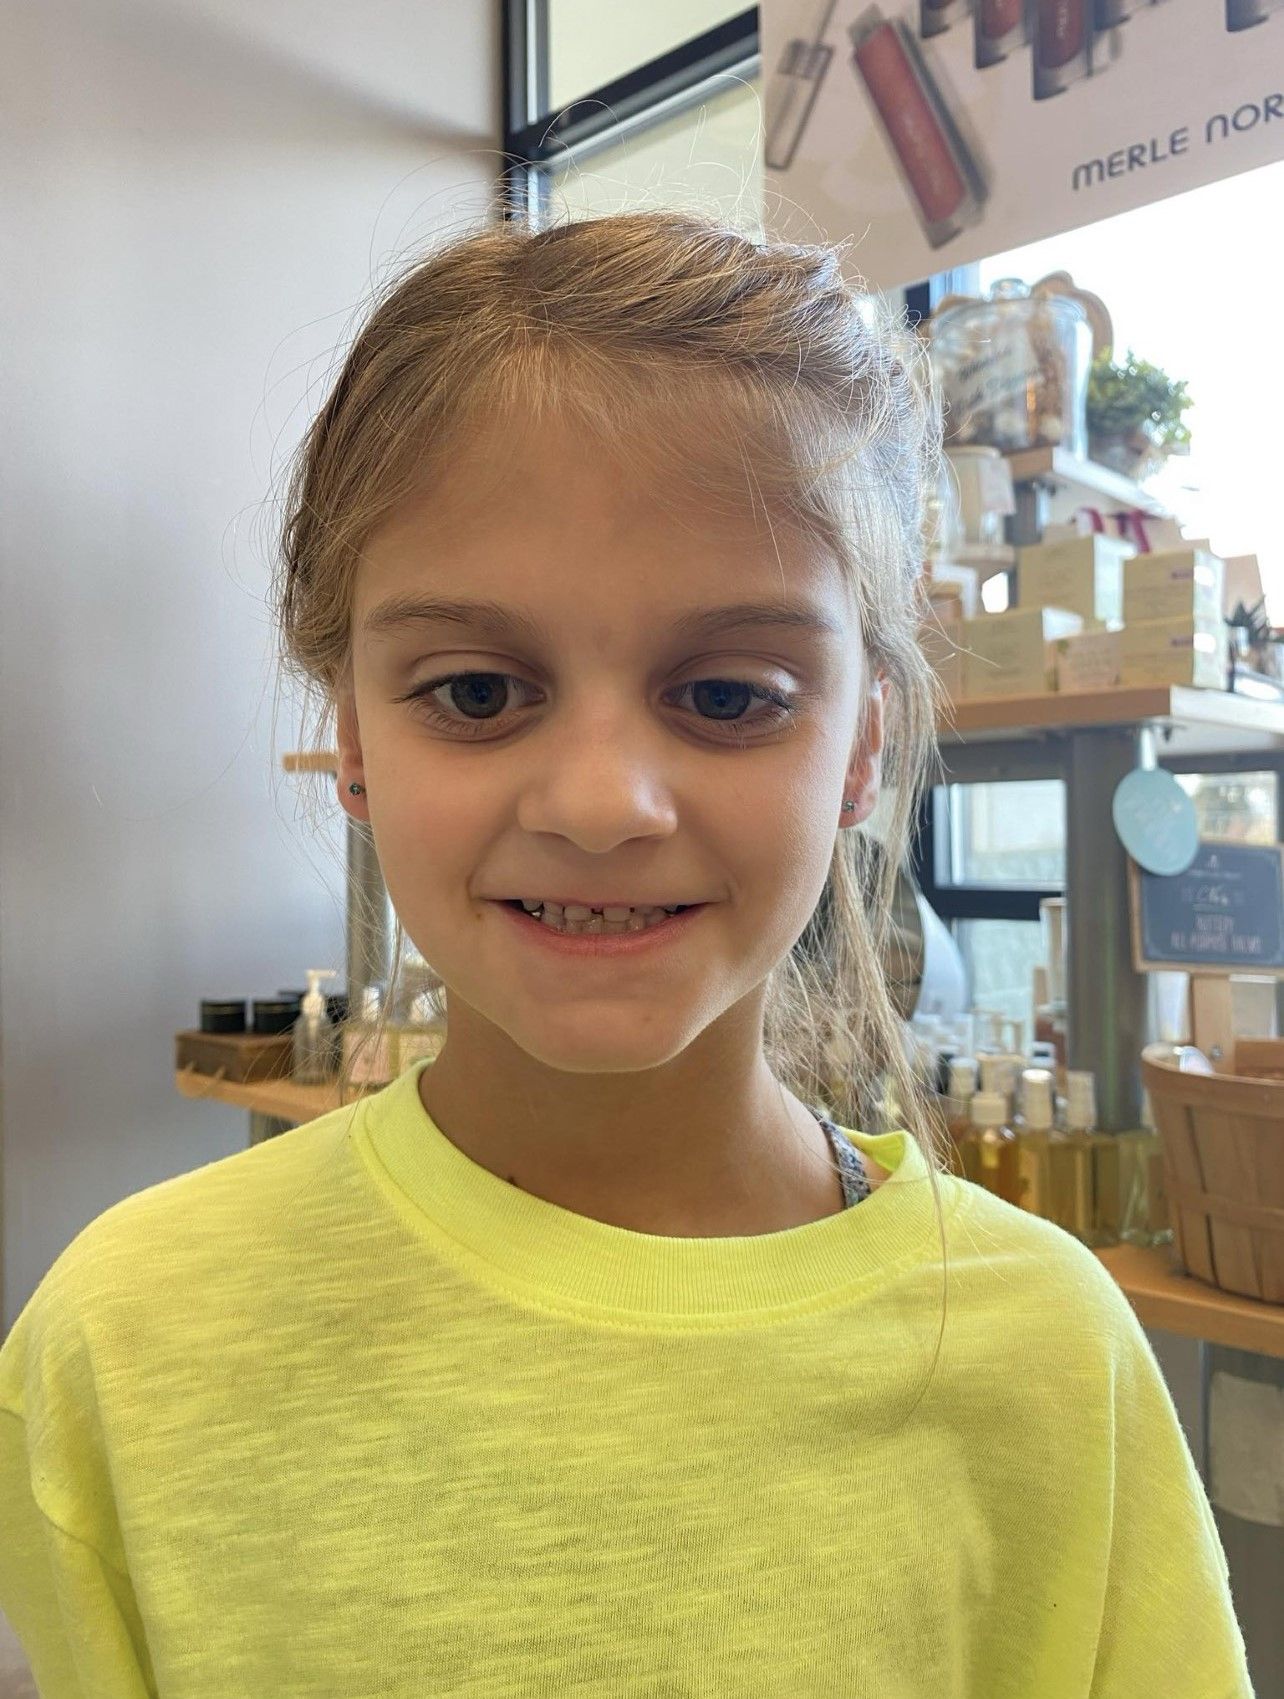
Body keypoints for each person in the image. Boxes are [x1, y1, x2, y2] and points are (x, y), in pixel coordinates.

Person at [0, 210, 1252, 1696]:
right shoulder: (131, 1342)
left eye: (727, 697)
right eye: (477, 691)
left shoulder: (1043, 1359)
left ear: (860, 750)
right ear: (353, 741)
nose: (601, 806)